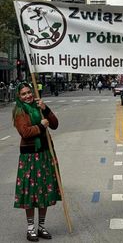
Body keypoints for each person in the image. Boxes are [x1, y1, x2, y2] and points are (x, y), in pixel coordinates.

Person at [12, 82, 60, 241]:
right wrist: (40, 125)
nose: (27, 96)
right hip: (30, 157)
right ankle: (30, 228)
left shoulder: (39, 107)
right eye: (23, 94)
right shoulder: (20, 111)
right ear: (19, 96)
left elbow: (54, 125)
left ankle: (41, 226)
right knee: (31, 194)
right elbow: (24, 132)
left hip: (45, 154)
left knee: (44, 191)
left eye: (29, 92)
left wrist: (46, 109)